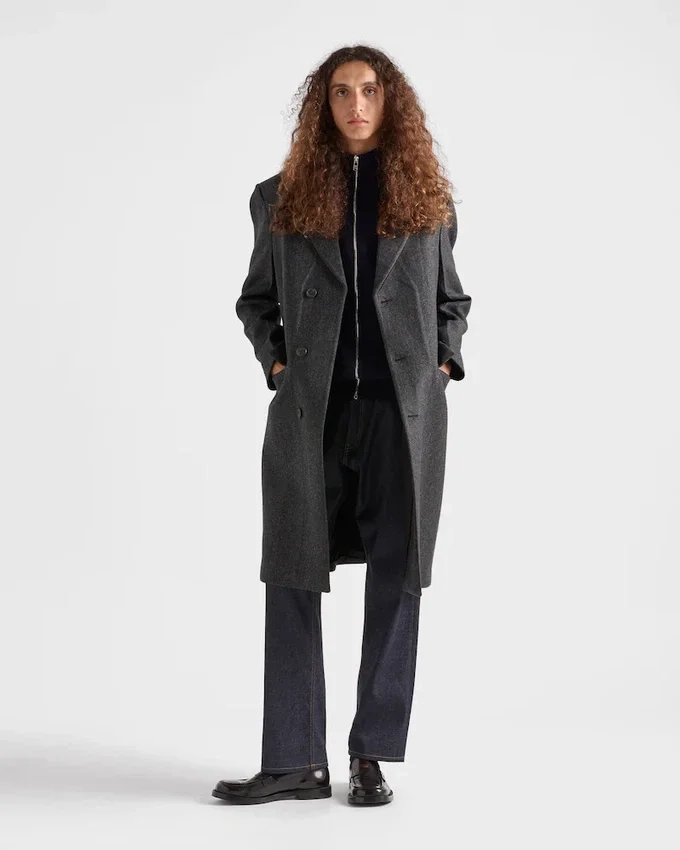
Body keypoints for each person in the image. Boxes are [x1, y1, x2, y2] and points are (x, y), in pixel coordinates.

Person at [212, 44, 471, 807]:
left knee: (398, 577)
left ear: (391, 102)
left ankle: (370, 756)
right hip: (311, 414)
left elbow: (451, 301)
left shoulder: (427, 200)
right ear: (322, 107)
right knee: (293, 571)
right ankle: (295, 759)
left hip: (402, 416)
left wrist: (441, 365)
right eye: (340, 92)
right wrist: (278, 366)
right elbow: (257, 300)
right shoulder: (280, 198)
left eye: (369, 90)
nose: (356, 104)